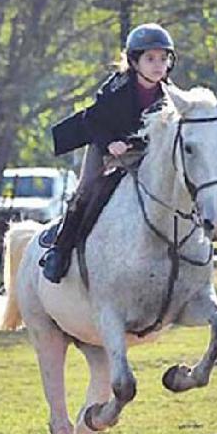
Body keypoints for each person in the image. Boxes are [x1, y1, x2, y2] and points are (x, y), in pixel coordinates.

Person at [40, 23, 178, 283]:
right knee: (87, 189)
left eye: (163, 58)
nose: (158, 65)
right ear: (134, 62)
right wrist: (109, 144)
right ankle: (59, 251)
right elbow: (92, 121)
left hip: (144, 153)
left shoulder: (171, 95)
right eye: (150, 58)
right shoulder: (117, 88)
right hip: (106, 147)